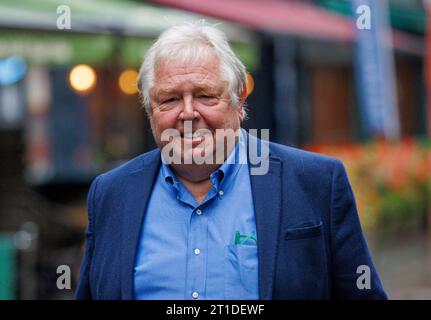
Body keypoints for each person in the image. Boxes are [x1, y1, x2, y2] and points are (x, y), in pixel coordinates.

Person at [76, 21, 387, 300]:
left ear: (240, 101)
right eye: (169, 99)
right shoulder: (111, 193)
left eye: (205, 95)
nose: (187, 113)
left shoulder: (315, 182)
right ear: (149, 109)